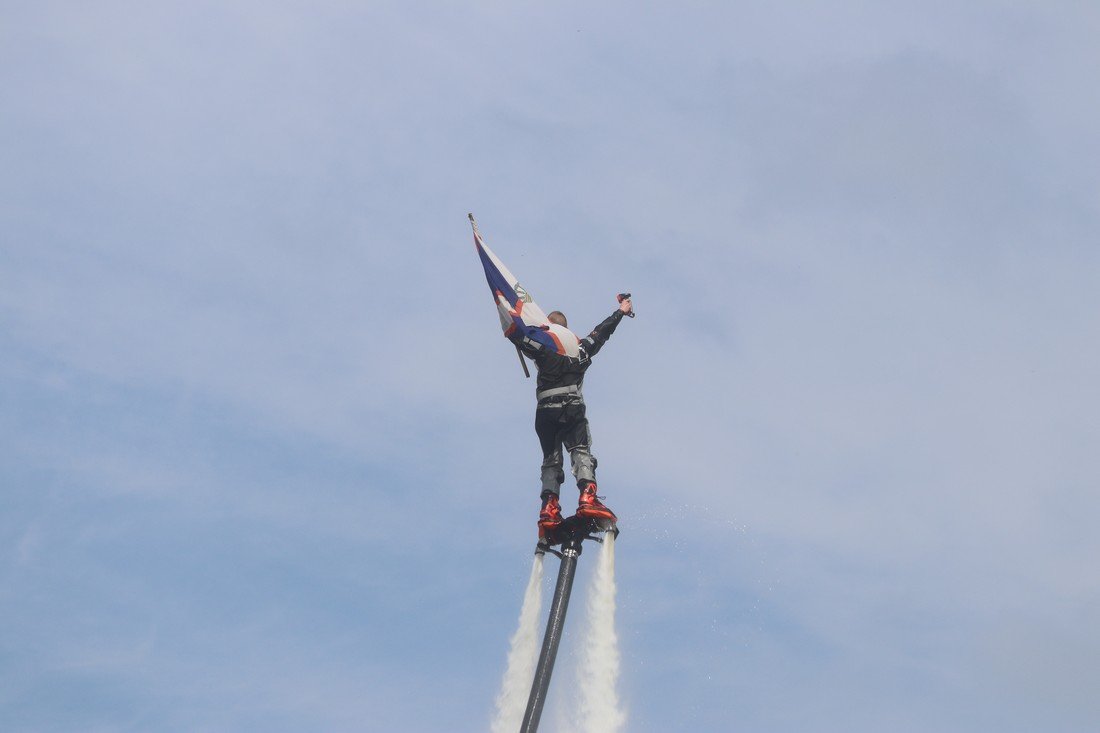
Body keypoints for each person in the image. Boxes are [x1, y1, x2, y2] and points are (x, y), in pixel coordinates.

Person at [506, 295, 633, 534]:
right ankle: (587, 496)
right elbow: (601, 333)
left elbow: (520, 336)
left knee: (551, 460)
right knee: (580, 450)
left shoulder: (542, 347)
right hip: (571, 408)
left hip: (544, 412)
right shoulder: (579, 349)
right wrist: (621, 312)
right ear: (565, 329)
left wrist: (508, 316)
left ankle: (548, 508)